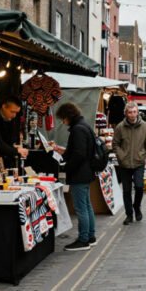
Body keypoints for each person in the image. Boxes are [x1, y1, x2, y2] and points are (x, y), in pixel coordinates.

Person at [53, 103, 96, 251]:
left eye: (62, 119)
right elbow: (79, 151)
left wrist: (66, 167)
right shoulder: (84, 126)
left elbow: (79, 154)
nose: (63, 122)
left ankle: (83, 239)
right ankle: (91, 236)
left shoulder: (77, 130)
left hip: (79, 174)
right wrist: (63, 151)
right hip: (86, 172)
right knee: (87, 205)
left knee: (81, 208)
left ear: (67, 116)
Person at [112, 102, 146, 225]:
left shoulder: (145, 127)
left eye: (134, 112)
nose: (132, 115)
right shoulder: (120, 127)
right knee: (126, 190)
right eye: (130, 112)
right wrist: (121, 156)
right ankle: (129, 214)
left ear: (137, 112)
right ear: (126, 113)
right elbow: (115, 144)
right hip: (124, 164)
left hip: (138, 162)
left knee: (139, 186)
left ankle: (137, 207)